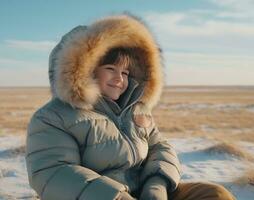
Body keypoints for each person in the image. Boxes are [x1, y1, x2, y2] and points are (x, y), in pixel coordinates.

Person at [25, 14, 235, 200]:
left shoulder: (136, 110)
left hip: (144, 191)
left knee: (213, 194)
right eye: (110, 69)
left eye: (125, 72)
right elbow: (53, 173)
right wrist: (117, 197)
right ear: (84, 70)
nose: (120, 78)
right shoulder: (54, 117)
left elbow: (160, 146)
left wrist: (157, 185)